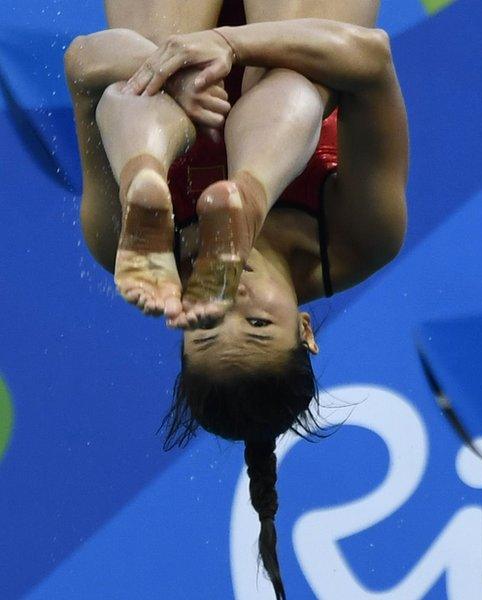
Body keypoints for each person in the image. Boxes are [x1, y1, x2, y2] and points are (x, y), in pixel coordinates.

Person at [64, 1, 408, 597]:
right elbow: (371, 58)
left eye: (203, 325)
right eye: (253, 321)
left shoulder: (121, 247)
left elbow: (83, 64)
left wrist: (168, 64)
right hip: (294, 28)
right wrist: (231, 44)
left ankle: (143, 170)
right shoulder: (357, 240)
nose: (228, 295)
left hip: (163, 47)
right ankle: (248, 192)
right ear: (305, 329)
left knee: (133, 88)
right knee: (299, 82)